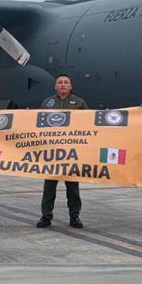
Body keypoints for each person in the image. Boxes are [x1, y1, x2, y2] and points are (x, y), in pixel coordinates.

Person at [36, 74, 88, 229]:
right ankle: (46, 217)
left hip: (71, 153)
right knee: (49, 187)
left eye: (66, 82)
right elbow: (38, 124)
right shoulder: (47, 103)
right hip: (52, 153)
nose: (63, 85)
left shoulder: (79, 103)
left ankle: (75, 216)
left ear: (70, 86)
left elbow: (88, 124)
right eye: (60, 82)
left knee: (73, 188)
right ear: (55, 86)